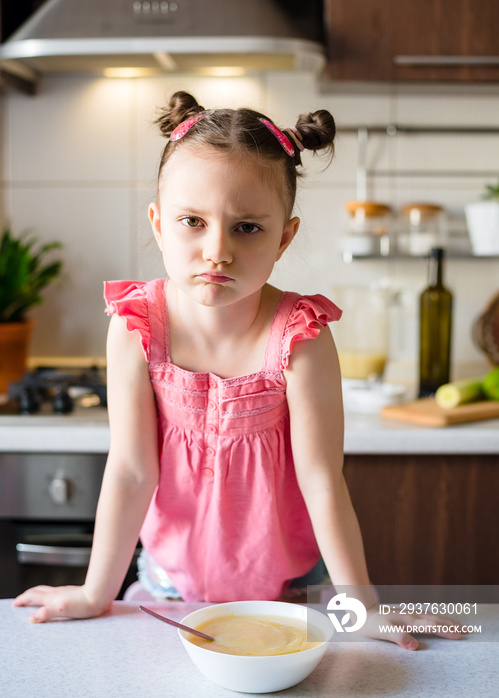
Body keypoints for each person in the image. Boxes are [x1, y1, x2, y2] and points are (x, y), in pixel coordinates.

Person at [14, 91, 461, 650]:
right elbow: (131, 472)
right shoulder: (135, 326)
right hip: (167, 588)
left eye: (247, 228)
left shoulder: (302, 335)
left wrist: (361, 608)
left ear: (284, 237)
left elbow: (322, 482)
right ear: (158, 224)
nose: (216, 251)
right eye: (192, 221)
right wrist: (93, 591)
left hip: (290, 591)